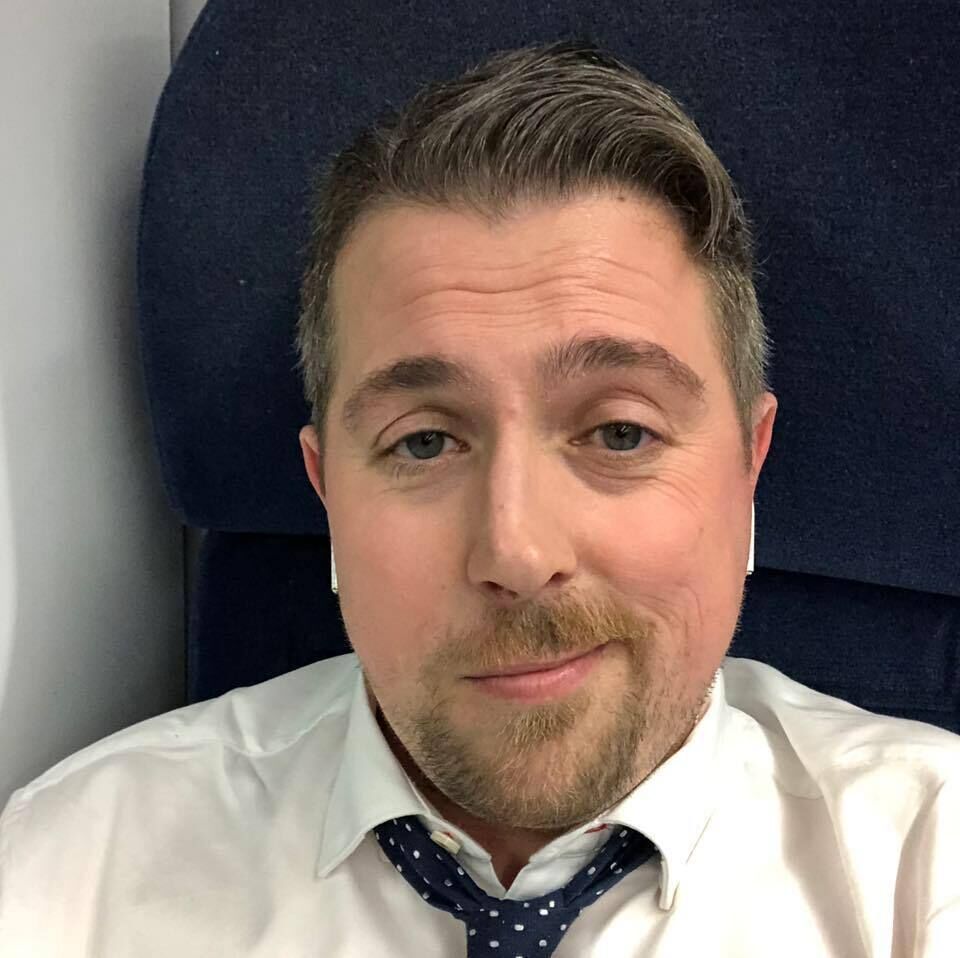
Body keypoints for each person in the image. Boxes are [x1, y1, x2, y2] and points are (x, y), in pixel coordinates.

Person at [1, 41, 957, 958]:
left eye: (620, 432)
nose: (514, 551)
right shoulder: (79, 869)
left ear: (749, 464)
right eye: (423, 441)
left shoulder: (925, 864)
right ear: (325, 486)